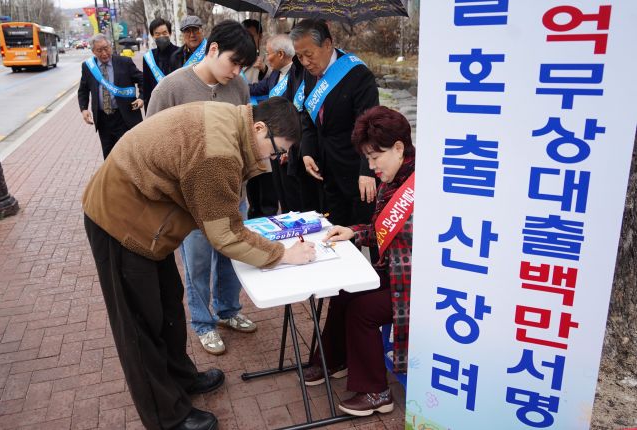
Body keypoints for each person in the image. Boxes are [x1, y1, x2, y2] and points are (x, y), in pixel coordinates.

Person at [83, 97, 316, 430]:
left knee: (167, 308)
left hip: (147, 218)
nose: (275, 159)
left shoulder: (234, 123)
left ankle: (181, 378)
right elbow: (225, 234)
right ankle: (166, 417)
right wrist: (282, 254)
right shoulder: (218, 153)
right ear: (260, 128)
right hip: (120, 222)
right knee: (139, 325)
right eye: (277, 150)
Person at [147, 20, 259, 356]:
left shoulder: (238, 86)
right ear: (212, 50)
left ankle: (228, 310)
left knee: (232, 255)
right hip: (191, 201)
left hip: (232, 193)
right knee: (197, 262)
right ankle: (202, 323)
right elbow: (150, 143)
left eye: (243, 66)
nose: (236, 71)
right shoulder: (171, 89)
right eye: (233, 62)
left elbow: (244, 133)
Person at [302, 106, 414, 416]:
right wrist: (353, 231)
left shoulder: (423, 185)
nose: (372, 166)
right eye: (368, 159)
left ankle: (377, 392)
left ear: (399, 148)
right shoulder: (396, 178)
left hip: (416, 286)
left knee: (363, 311)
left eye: (375, 158)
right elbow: (382, 230)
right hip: (394, 274)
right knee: (344, 292)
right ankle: (335, 360)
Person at [290, 19, 379, 229]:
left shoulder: (358, 75)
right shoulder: (309, 73)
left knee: (364, 231)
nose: (304, 62)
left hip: (355, 169)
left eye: (308, 54)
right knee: (335, 231)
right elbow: (308, 117)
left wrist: (367, 171)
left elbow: (370, 126)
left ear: (328, 44)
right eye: (299, 56)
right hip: (326, 171)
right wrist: (307, 151)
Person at [248, 33, 301, 213]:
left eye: (268, 53)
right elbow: (257, 88)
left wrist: (290, 148)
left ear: (280, 54)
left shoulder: (299, 74)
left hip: (291, 145)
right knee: (281, 193)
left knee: (294, 196)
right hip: (275, 145)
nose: (266, 57)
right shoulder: (274, 75)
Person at [78, 33, 144, 159]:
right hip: (103, 120)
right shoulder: (88, 67)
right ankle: (113, 179)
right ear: (93, 51)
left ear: (111, 46)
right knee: (109, 157)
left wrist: (141, 97)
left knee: (130, 154)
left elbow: (142, 80)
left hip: (124, 116)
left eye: (106, 48)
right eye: (99, 50)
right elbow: (83, 89)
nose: (104, 53)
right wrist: (84, 109)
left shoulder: (124, 62)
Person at [142, 18, 179, 112]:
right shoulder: (148, 57)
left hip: (177, 103)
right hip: (157, 105)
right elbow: (147, 87)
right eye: (157, 34)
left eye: (164, 33)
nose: (161, 36)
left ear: (170, 33)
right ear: (152, 36)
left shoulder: (180, 53)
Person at [241, 19, 268, 83]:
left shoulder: (268, 57)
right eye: (244, 36)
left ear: (260, 36)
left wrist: (264, 69)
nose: (246, 39)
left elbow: (274, 81)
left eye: (251, 36)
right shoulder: (233, 55)